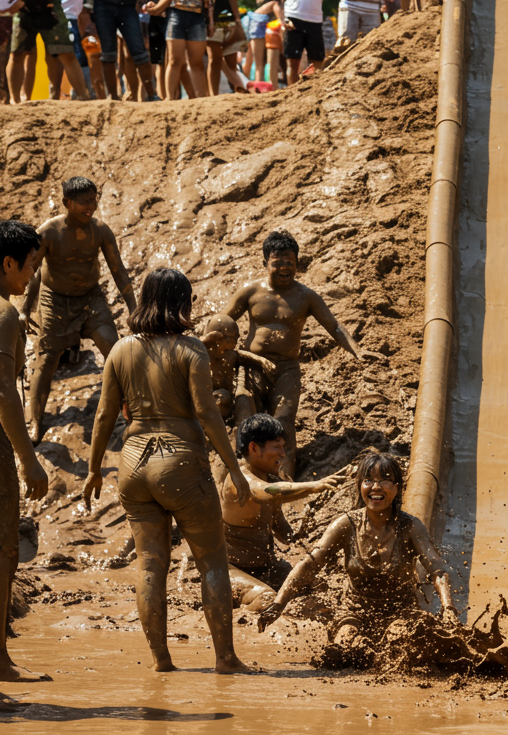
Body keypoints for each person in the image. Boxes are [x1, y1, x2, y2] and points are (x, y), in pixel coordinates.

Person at [84, 268, 254, 674]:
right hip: (180, 462)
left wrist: (93, 470)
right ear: (182, 303)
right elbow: (207, 413)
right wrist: (234, 467)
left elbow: (105, 414)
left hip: (133, 462)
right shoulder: (190, 348)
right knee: (212, 562)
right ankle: (225, 659)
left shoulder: (120, 350)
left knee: (149, 564)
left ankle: (161, 661)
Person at [257, 452, 456, 662]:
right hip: (354, 611)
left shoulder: (410, 527)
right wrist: (279, 604)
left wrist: (448, 608)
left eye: (385, 480)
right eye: (368, 480)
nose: (376, 487)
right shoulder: (346, 525)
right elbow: (309, 565)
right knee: (344, 649)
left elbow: (437, 568)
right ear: (360, 487)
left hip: (401, 611)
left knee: (400, 647)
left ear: (397, 488)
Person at [223, 230, 380, 477]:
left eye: (290, 262)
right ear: (266, 263)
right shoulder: (250, 292)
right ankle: (240, 475)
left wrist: (357, 350)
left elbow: (334, 325)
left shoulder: (305, 296)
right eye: (278, 262)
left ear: (297, 264)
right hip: (252, 364)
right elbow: (222, 321)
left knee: (283, 420)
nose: (285, 267)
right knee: (245, 417)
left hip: (286, 368)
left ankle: (284, 478)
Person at [21, 176, 137, 445]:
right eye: (85, 202)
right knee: (47, 359)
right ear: (67, 202)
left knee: (114, 347)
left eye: (94, 200)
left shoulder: (101, 230)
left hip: (90, 299)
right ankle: (35, 418)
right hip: (54, 300)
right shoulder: (49, 232)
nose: (91, 206)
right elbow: (32, 271)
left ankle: (134, 407)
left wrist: (134, 308)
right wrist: (26, 310)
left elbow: (118, 270)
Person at [223, 414, 344, 610]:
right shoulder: (239, 478)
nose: (282, 454)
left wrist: (302, 537)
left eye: (283, 447)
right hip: (230, 570)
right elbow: (267, 494)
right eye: (276, 447)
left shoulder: (270, 478)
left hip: (266, 567)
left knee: (318, 586)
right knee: (266, 599)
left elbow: (279, 525)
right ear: (254, 448)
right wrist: (316, 485)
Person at [0, 222, 51, 684]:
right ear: (8, 263)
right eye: (31, 265)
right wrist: (28, 458)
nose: (32, 276)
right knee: (3, 552)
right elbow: (3, 392)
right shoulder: (5, 314)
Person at [6, 0, 90, 102]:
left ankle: (81, 97)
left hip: (51, 6)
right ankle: (15, 100)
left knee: (64, 52)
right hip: (24, 6)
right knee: (17, 54)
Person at [199, 314, 276, 422]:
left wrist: (261, 360)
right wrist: (204, 341)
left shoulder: (230, 355)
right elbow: (190, 350)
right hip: (208, 401)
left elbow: (241, 355)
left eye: (237, 337)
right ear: (216, 337)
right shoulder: (203, 354)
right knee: (219, 397)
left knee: (243, 400)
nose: (235, 341)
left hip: (228, 401)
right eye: (231, 338)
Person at [140, 0, 207, 98]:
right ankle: (170, 98)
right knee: (175, 61)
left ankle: (201, 99)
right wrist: (155, 8)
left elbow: (209, 2)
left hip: (197, 15)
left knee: (195, 63)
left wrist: (156, 8)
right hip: (176, 14)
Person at [90, 0, 155, 100]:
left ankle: (152, 94)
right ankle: (113, 96)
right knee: (108, 53)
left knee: (140, 51)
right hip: (103, 5)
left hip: (127, 6)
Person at [271, 0, 323, 85]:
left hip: (316, 19)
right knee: (293, 62)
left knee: (317, 61)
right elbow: (276, 2)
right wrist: (282, 19)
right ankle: (292, 94)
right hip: (293, 17)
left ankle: (314, 91)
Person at [205, 0, 246, 94]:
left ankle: (239, 90)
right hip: (212, 22)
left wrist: (237, 19)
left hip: (229, 21)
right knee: (214, 59)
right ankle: (213, 94)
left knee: (231, 62)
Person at [241, 0, 276, 82]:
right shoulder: (275, 3)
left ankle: (242, 84)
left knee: (249, 59)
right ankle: (259, 86)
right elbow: (282, 21)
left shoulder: (262, 6)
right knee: (259, 64)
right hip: (257, 30)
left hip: (251, 25)